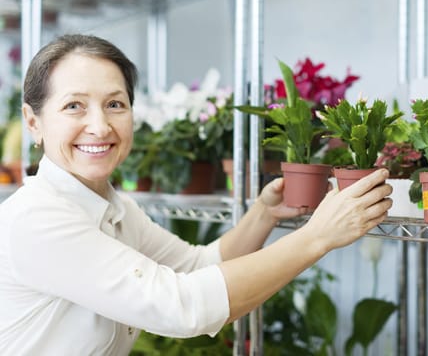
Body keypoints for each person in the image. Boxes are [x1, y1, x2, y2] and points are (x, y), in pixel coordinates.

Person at [0, 34, 392, 355]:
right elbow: (181, 306)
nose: (100, 126)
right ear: (34, 122)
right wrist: (317, 237)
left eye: (115, 104)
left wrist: (263, 214)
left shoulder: (116, 209)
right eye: (74, 106)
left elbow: (195, 266)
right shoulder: (37, 219)